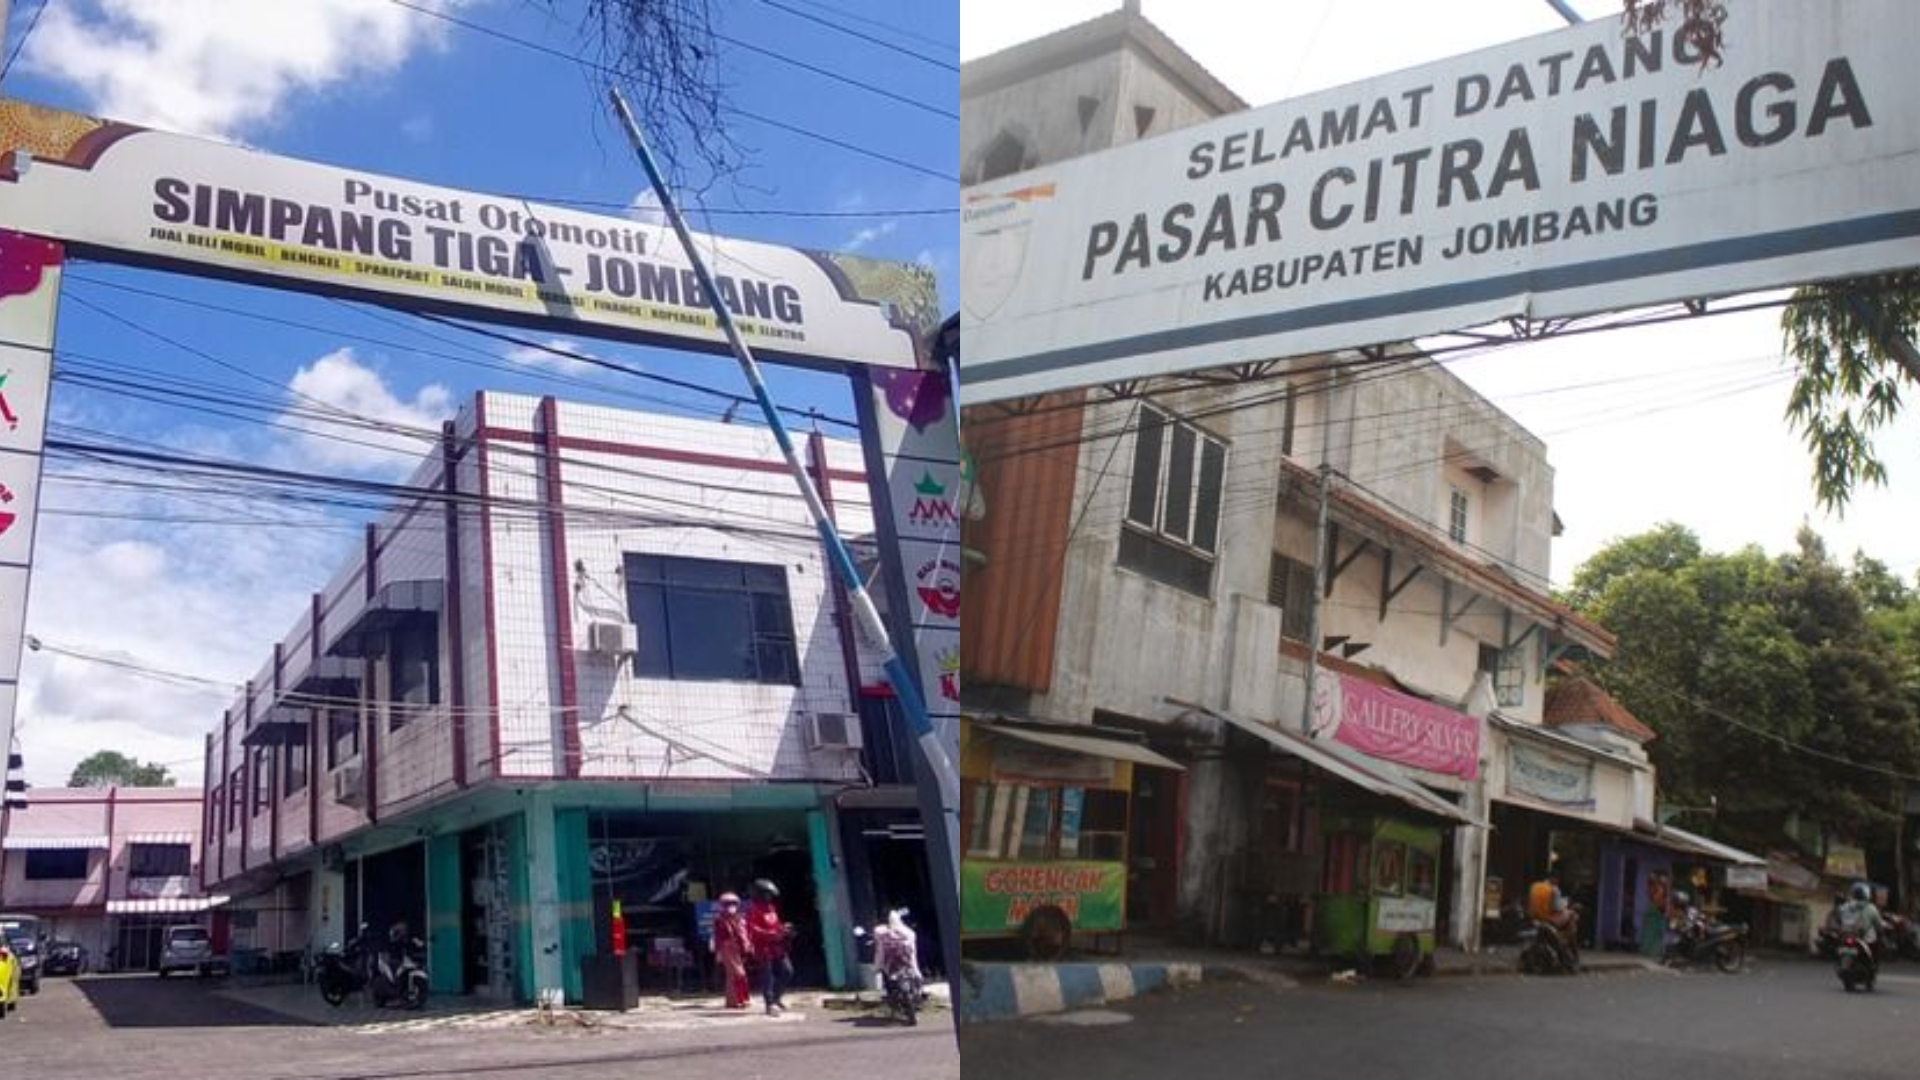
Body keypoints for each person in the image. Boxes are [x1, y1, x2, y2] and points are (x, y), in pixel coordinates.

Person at [746, 879, 793, 1015]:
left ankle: (776, 998)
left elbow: (776, 923)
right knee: (767, 976)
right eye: (767, 894)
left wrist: (784, 929)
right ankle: (770, 1004)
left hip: (777, 946)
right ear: (759, 894)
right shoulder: (753, 910)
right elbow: (752, 929)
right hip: (763, 948)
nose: (770, 897)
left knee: (788, 971)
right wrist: (769, 934)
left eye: (770, 894)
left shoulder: (771, 907)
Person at [1528, 869, 1580, 963]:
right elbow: (1558, 907)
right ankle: (1569, 939)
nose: (1558, 881)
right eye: (1557, 879)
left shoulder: (1536, 886)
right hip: (1549, 918)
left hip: (1536, 917)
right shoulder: (1554, 889)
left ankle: (1563, 939)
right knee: (1572, 915)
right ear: (1554, 878)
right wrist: (1567, 902)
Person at [711, 892, 753, 1009]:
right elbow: (718, 937)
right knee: (739, 974)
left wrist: (746, 946)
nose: (730, 906)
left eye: (733, 903)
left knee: (731, 976)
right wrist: (718, 952)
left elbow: (743, 934)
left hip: (737, 948)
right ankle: (741, 999)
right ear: (722, 905)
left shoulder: (739, 918)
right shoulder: (719, 920)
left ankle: (732, 1001)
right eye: (727, 903)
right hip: (727, 948)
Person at [1837, 882, 1886, 972]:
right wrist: (1880, 931)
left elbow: (1839, 919)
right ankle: (1873, 965)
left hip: (1845, 934)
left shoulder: (1845, 906)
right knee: (1877, 943)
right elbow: (1878, 924)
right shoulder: (1871, 907)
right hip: (1862, 936)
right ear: (1867, 894)